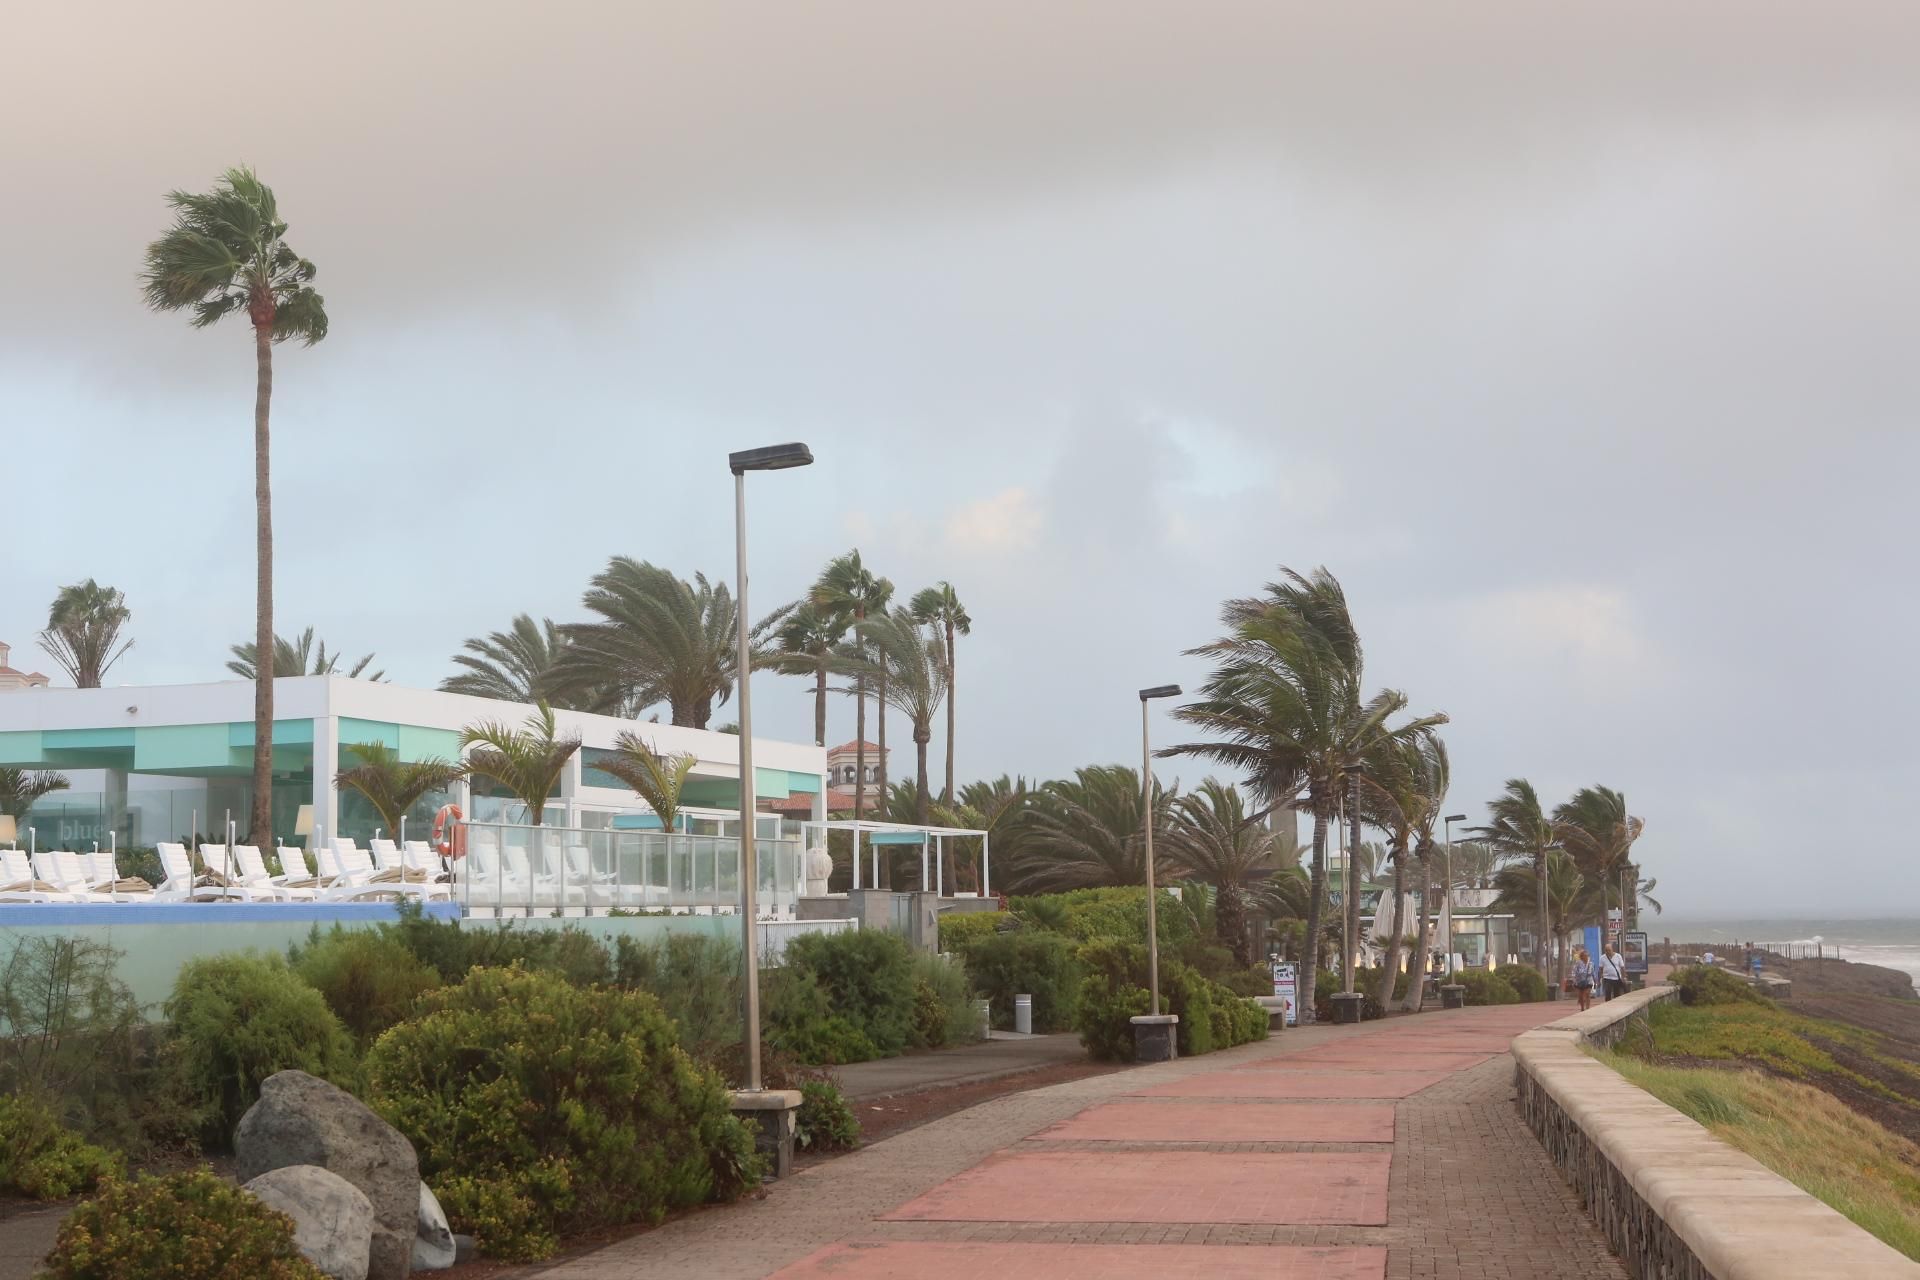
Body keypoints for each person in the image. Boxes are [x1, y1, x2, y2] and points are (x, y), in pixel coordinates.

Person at [1571, 947, 1595, 1012]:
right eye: (1585, 956)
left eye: (1587, 956)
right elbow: (1574, 971)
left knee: (1587, 993)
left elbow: (1593, 973)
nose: (1587, 957)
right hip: (1579, 981)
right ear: (1582, 957)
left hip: (1588, 981)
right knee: (1581, 996)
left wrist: (1595, 981)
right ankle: (1582, 1008)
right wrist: (1574, 980)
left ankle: (1588, 1008)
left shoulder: (1591, 964)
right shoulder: (1578, 963)